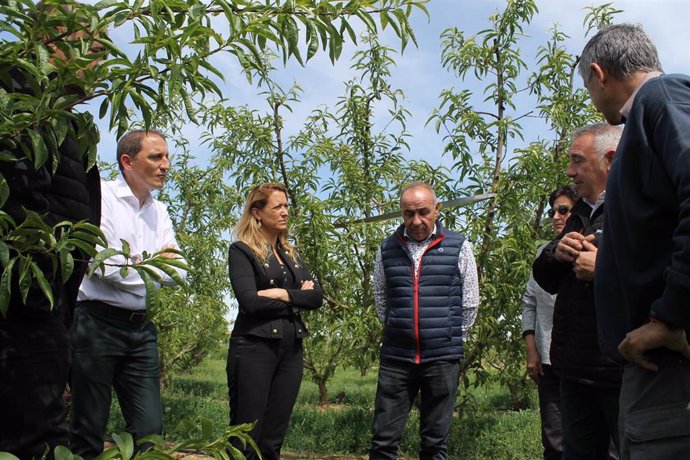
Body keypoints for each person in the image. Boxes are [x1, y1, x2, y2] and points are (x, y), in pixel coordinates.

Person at [579, 24, 690, 458]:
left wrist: (668, 316)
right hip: (654, 361)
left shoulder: (661, 99)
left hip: (667, 361)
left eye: (587, 86)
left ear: (598, 73)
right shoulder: (649, 114)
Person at [0, 4, 102, 458]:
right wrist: (42, 291)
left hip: (50, 304)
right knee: (36, 436)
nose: (99, 64)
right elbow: (22, 207)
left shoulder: (72, 124)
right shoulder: (19, 101)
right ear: (51, 38)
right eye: (92, 48)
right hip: (25, 305)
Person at [69, 129, 185, 458]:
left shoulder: (159, 211)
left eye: (166, 156)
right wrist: (155, 265)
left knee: (150, 430)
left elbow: (180, 270)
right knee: (89, 427)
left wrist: (134, 263)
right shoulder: (101, 197)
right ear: (127, 161)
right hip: (96, 325)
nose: (166, 164)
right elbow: (103, 267)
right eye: (156, 157)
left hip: (141, 329)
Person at [369, 182, 479, 460]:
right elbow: (382, 298)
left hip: (442, 359)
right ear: (401, 214)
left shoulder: (459, 246)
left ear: (437, 209)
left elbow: (470, 301)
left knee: (434, 443)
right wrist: (398, 327)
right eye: (409, 214)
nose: (416, 220)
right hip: (397, 358)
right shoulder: (387, 248)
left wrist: (450, 337)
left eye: (423, 212)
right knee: (383, 441)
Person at [533, 123, 623, 460]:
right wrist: (556, 253)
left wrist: (605, 270)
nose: (570, 172)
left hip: (617, 368)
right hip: (574, 366)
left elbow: (657, 273)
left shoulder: (636, 206)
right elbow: (544, 278)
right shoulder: (580, 212)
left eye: (577, 161)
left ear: (609, 161)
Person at [227, 183, 323, 460]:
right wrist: (297, 297)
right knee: (246, 437)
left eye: (286, 206)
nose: (285, 212)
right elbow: (250, 303)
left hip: (290, 349)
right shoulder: (242, 251)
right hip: (254, 347)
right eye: (277, 207)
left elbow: (316, 297)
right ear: (257, 212)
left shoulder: (290, 254)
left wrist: (282, 293)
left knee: (273, 438)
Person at [521, 184, 578, 460]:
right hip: (548, 361)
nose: (556, 216)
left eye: (563, 210)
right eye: (553, 210)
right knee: (554, 440)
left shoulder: (595, 248)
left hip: (585, 361)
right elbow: (529, 302)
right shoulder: (545, 253)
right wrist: (532, 352)